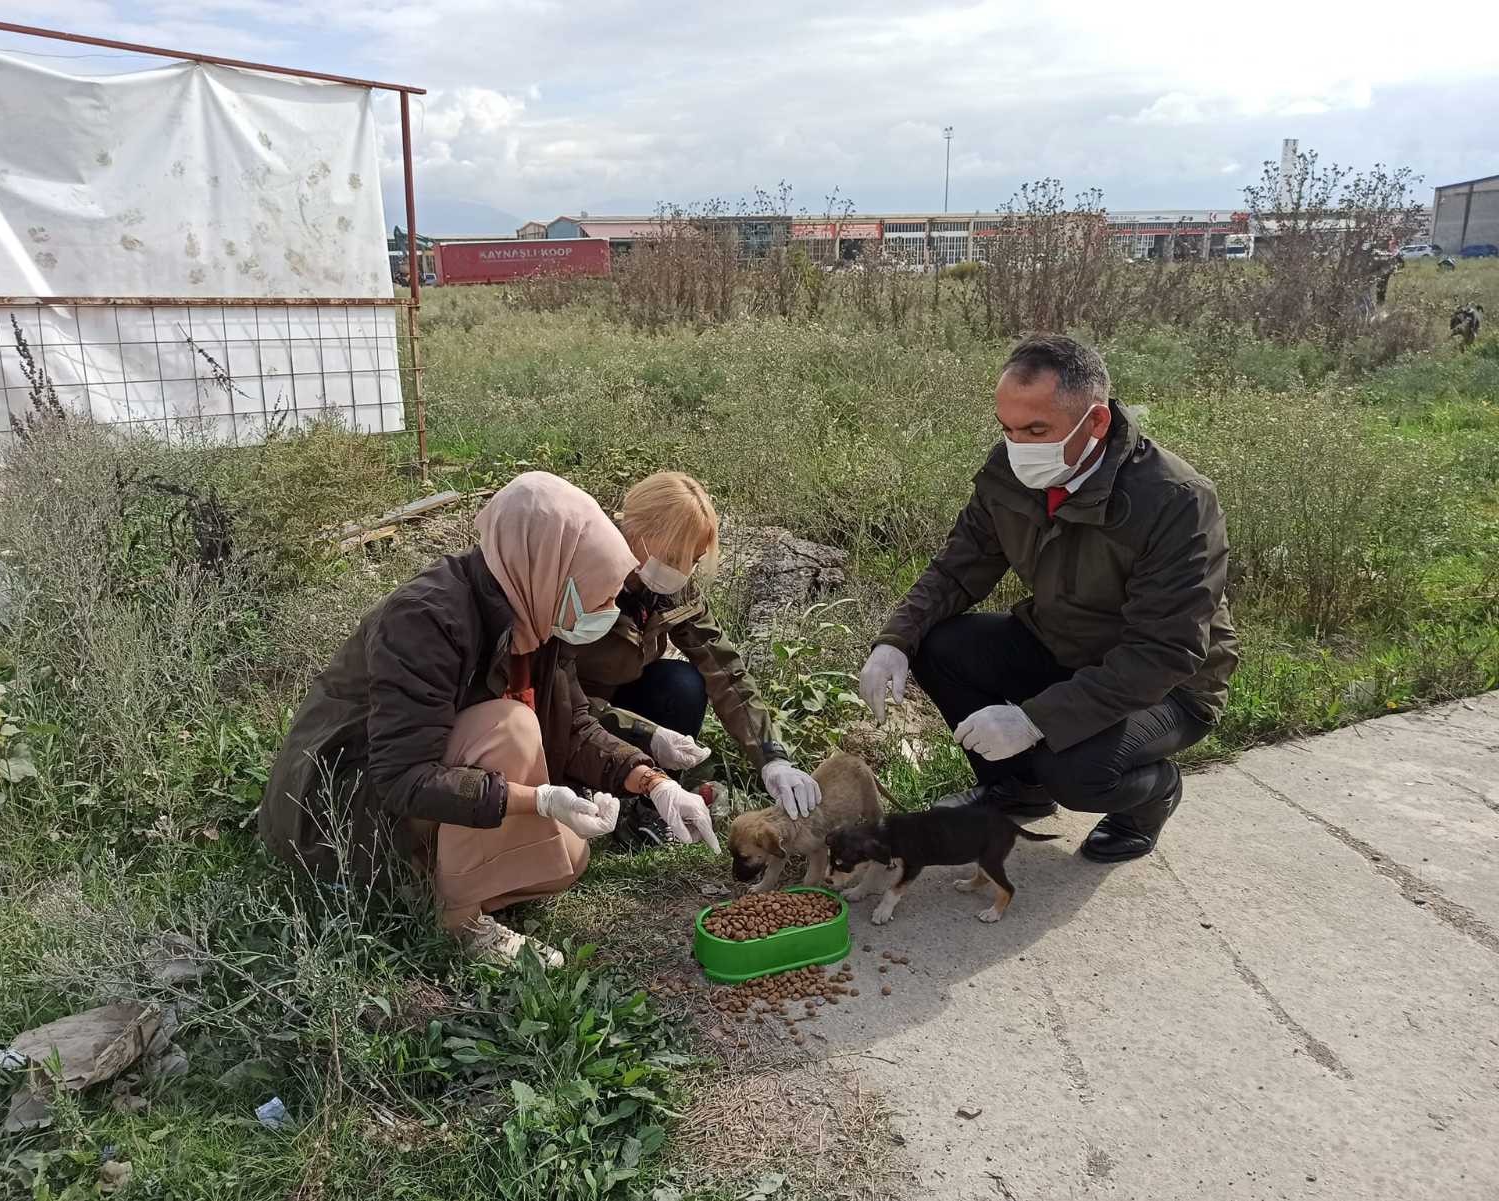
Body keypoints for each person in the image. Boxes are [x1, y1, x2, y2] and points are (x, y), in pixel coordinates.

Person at [259, 471, 720, 967]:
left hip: (420, 792)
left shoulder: (539, 615)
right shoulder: (426, 619)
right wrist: (538, 800)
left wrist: (655, 784)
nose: (609, 610)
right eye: (602, 595)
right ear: (551, 566)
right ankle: (458, 921)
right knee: (511, 727)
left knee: (569, 861)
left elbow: (577, 726)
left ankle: (424, 884)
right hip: (345, 807)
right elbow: (401, 777)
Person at [859, 334, 1237, 862]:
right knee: (937, 642)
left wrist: (1034, 720)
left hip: (1168, 687)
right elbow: (959, 566)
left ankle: (1152, 796)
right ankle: (1017, 788)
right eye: (1009, 429)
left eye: (1037, 430)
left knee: (1075, 773)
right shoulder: (1011, 471)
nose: (1020, 447)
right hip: (1062, 646)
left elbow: (1165, 653)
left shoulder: (1176, 501)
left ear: (1097, 423)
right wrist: (895, 639)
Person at [571, 472, 823, 830]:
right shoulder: (581, 576)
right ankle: (612, 783)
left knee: (682, 684)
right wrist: (645, 733)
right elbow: (553, 688)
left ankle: (652, 806)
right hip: (567, 712)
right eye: (675, 555)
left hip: (618, 698)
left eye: (693, 558)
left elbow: (724, 668)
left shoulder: (672, 588)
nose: (682, 570)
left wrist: (772, 757)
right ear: (638, 533)